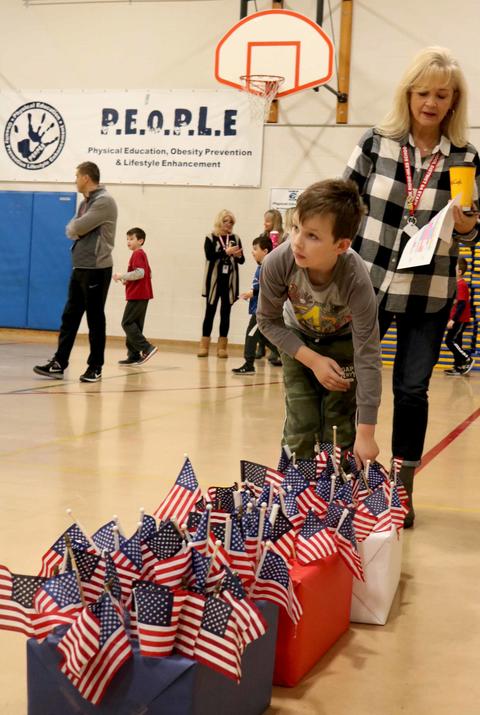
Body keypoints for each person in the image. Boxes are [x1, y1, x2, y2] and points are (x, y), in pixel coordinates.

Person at [343, 46, 480, 526]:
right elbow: (344, 202)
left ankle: (401, 487)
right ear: (409, 94)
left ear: (453, 101)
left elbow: (472, 231)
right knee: (356, 379)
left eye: (442, 94)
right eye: (423, 92)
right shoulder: (376, 143)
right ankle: (350, 479)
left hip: (430, 289)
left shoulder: (465, 157)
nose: (431, 102)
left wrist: (465, 222)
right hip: (369, 284)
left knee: (412, 390)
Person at [257, 179, 382, 469]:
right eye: (296, 227)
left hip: (342, 342)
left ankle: (336, 495)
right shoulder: (279, 261)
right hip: (296, 339)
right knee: (302, 420)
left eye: (312, 235)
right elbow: (267, 320)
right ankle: (294, 494)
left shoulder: (356, 278)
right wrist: (312, 360)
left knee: (339, 424)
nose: (297, 241)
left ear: (341, 245)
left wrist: (367, 433)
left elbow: (368, 355)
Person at [33, 161, 117, 383]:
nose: (75, 180)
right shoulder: (85, 203)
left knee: (95, 319)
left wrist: (77, 228)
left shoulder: (104, 201)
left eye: (77, 176)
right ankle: (59, 363)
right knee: (69, 317)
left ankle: (95, 367)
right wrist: (77, 229)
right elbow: (71, 229)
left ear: (86, 178)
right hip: (80, 267)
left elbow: (77, 228)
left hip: (97, 269)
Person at [197, 210, 244, 359]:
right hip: (214, 280)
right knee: (209, 312)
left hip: (229, 280)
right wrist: (226, 252)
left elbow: (241, 260)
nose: (229, 224)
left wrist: (237, 255)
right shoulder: (210, 237)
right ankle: (204, 345)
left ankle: (222, 348)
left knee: (226, 313)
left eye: (231, 222)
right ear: (219, 221)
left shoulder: (235, 238)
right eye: (226, 221)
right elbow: (210, 256)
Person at [231, 235, 275, 375]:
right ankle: (288, 354)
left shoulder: (268, 267)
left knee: (250, 334)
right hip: (258, 308)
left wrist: (251, 293)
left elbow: (265, 287)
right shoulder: (261, 267)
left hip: (261, 310)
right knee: (264, 337)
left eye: (255, 249)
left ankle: (249, 364)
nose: (252, 252)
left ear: (266, 251)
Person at [113, 227, 157, 366]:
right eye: (127, 239)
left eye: (132, 239)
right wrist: (127, 280)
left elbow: (140, 273)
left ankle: (146, 348)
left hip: (138, 295)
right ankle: (133, 355)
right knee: (135, 325)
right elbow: (147, 273)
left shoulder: (137, 254)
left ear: (141, 240)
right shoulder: (141, 254)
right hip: (142, 295)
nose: (128, 241)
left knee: (126, 323)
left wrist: (122, 275)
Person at [255, 209, 284, 365]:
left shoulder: (282, 236)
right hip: (262, 272)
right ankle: (261, 346)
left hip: (276, 276)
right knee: (259, 313)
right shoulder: (262, 236)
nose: (265, 224)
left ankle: (275, 348)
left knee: (272, 314)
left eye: (268, 221)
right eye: (264, 220)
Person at [444, 256, 473, 375]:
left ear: (459, 272)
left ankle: (467, 359)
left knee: (449, 340)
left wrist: (453, 320)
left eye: (454, 268)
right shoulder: (456, 284)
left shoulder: (461, 284)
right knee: (457, 341)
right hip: (457, 319)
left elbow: (461, 304)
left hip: (460, 319)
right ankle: (458, 366)